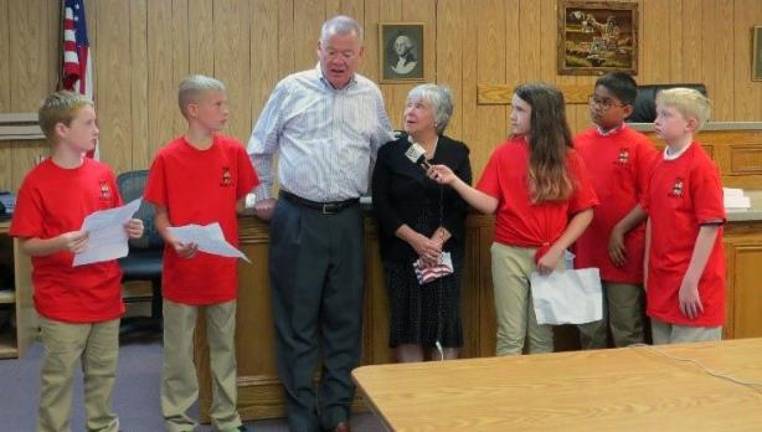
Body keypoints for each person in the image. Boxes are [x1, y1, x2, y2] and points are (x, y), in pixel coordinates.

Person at [247, 15, 393, 432]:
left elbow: (384, 152)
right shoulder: (291, 88)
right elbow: (259, 147)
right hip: (296, 218)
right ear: (319, 49)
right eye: (332, 52)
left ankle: (337, 412)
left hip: (348, 219)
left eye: (348, 53)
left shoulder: (370, 95)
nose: (339, 61)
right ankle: (300, 416)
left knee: (345, 321)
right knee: (296, 322)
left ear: (360, 54)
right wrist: (262, 195)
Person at [428, 83, 598, 356]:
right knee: (510, 336)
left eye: (520, 109)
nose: (512, 115)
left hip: (550, 255)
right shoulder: (504, 153)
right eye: (512, 108)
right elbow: (489, 204)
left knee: (542, 337)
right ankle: (508, 397)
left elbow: (585, 211)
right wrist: (454, 181)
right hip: (509, 252)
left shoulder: (569, 158)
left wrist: (557, 250)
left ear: (541, 116)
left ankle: (540, 397)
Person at [10, 90, 144, 432]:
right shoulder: (36, 183)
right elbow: (27, 245)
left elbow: (113, 225)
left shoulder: (102, 174)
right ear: (62, 130)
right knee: (59, 383)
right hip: (62, 302)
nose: (97, 129)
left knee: (103, 378)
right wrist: (61, 241)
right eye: (88, 122)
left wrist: (130, 228)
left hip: (105, 296)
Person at [144, 75, 259, 432]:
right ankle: (178, 419)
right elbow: (159, 215)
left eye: (225, 103)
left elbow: (240, 201)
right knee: (178, 352)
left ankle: (227, 417)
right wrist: (173, 239)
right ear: (194, 110)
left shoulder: (234, 151)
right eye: (218, 104)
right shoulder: (166, 157)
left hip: (221, 268)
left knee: (224, 348)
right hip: (182, 269)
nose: (226, 111)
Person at [372, 84, 472, 362]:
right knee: (408, 325)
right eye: (408, 104)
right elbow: (382, 205)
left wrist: (435, 243)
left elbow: (460, 204)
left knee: (445, 322)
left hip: (443, 253)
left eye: (419, 106)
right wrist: (416, 241)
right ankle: (414, 395)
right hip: (402, 252)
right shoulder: (390, 152)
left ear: (438, 117)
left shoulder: (457, 153)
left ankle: (442, 395)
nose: (409, 111)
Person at [573, 72, 658, 349]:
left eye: (605, 102)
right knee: (590, 330)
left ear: (627, 110)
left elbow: (650, 198)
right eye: (594, 100)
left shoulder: (639, 146)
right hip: (587, 248)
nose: (597, 107)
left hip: (623, 249)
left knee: (625, 328)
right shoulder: (579, 142)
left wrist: (620, 229)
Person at [642, 88, 725, 345]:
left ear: (690, 124)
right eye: (657, 114)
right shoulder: (657, 162)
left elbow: (710, 227)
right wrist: (647, 268)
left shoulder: (701, 167)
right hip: (662, 281)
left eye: (666, 115)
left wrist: (691, 282)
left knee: (691, 371)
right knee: (664, 368)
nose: (657, 121)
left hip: (693, 282)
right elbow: (652, 218)